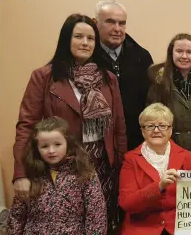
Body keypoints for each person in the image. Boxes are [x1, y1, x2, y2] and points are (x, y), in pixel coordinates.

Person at [12, 14, 127, 232]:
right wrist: (21, 173)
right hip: (63, 167)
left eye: (90, 38)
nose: (85, 43)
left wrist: (121, 168)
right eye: (78, 36)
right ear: (66, 39)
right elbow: (26, 126)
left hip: (102, 166)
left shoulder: (108, 78)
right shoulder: (44, 77)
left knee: (99, 225)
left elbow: (118, 126)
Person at [8, 117, 107, 234]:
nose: (51, 150)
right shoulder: (30, 174)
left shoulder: (84, 173)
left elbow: (96, 215)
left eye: (57, 144)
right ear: (37, 148)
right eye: (44, 146)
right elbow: (17, 216)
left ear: (68, 143)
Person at [119, 103, 191, 235]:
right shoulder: (130, 159)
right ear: (143, 131)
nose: (156, 130)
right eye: (150, 126)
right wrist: (158, 187)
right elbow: (126, 203)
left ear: (170, 130)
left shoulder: (186, 156)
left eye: (162, 126)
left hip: (178, 227)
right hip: (142, 228)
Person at [147, 33, 191, 171]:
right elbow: (153, 117)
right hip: (166, 154)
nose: (184, 56)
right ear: (171, 53)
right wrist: (174, 152)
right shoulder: (159, 80)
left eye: (189, 52)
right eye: (179, 51)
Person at [95, 0, 154, 150]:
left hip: (136, 142)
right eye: (110, 22)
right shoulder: (86, 57)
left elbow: (151, 102)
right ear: (96, 23)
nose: (117, 29)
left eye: (122, 23)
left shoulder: (142, 57)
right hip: (98, 143)